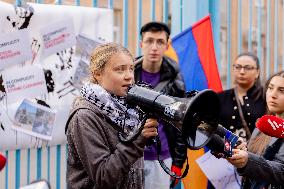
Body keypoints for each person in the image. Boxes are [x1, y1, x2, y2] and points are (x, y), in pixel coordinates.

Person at [65, 43, 159, 189]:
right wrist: (137, 142)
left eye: (131, 69)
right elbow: (103, 177)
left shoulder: (129, 110)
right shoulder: (84, 116)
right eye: (119, 70)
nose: (128, 76)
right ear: (97, 74)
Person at [135, 21, 187, 189]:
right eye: (149, 41)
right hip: (129, 155)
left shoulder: (175, 79)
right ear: (141, 44)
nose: (154, 47)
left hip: (161, 157)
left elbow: (181, 124)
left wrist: (178, 162)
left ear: (167, 45)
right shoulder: (128, 73)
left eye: (160, 42)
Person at [227, 70, 284, 189]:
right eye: (270, 88)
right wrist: (242, 154)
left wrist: (248, 160)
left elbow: (281, 171)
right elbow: (251, 169)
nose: (273, 95)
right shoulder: (262, 125)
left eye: (281, 90)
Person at [218, 52, 266, 140]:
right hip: (225, 151)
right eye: (238, 67)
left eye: (248, 68)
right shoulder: (220, 97)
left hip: (255, 152)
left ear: (257, 72)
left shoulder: (266, 97)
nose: (242, 71)